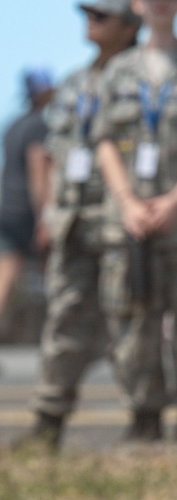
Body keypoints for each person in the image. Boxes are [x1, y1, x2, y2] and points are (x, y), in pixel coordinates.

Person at [20, 1, 143, 450]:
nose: (89, 23)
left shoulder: (145, 76)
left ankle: (144, 420)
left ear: (130, 26)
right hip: (74, 219)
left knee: (130, 320)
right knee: (64, 318)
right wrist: (48, 212)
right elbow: (52, 154)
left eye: (100, 16)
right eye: (86, 15)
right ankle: (47, 422)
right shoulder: (74, 83)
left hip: (123, 218)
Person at [94, 0, 177, 442]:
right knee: (133, 320)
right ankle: (144, 418)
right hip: (132, 222)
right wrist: (127, 202)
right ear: (138, 6)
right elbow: (103, 141)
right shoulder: (119, 71)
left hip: (175, 216)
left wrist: (172, 202)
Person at [0, 69, 55, 374]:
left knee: (2, 279)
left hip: (5, 209)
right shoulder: (39, 126)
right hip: (27, 214)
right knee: (55, 276)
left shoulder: (12, 126)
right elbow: (38, 172)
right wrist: (45, 215)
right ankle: (59, 346)